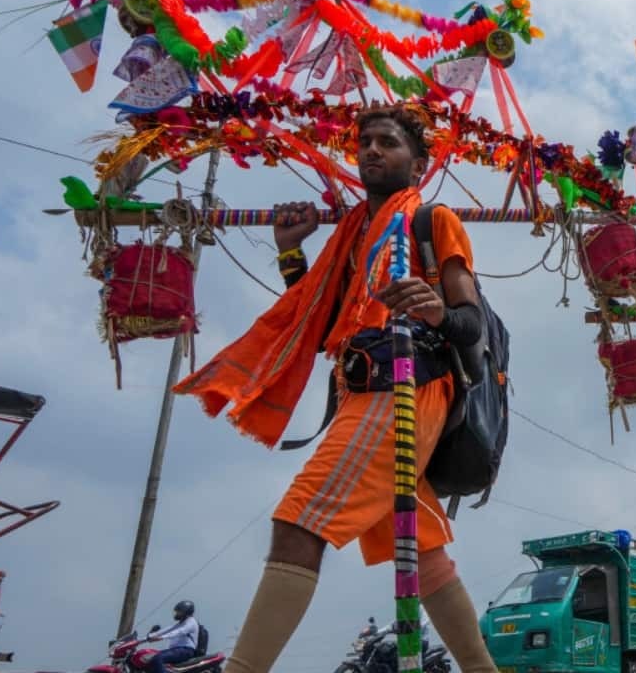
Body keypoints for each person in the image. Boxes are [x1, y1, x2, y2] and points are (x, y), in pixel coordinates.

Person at [176, 103, 497, 673]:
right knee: (422, 553)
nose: (371, 150)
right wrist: (291, 251)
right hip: (364, 392)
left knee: (298, 522)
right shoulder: (355, 233)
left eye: (388, 142)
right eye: (365, 142)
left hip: (403, 390)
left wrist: (437, 313)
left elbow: (470, 323)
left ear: (418, 164)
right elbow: (326, 324)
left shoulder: (432, 221)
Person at [145, 601, 200, 673]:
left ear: (186, 612)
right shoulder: (181, 622)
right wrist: (149, 636)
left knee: (158, 658)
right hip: (177, 650)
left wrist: (161, 638)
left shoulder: (191, 623)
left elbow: (178, 632)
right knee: (150, 658)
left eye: (179, 612)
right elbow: (168, 629)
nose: (177, 614)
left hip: (185, 650)